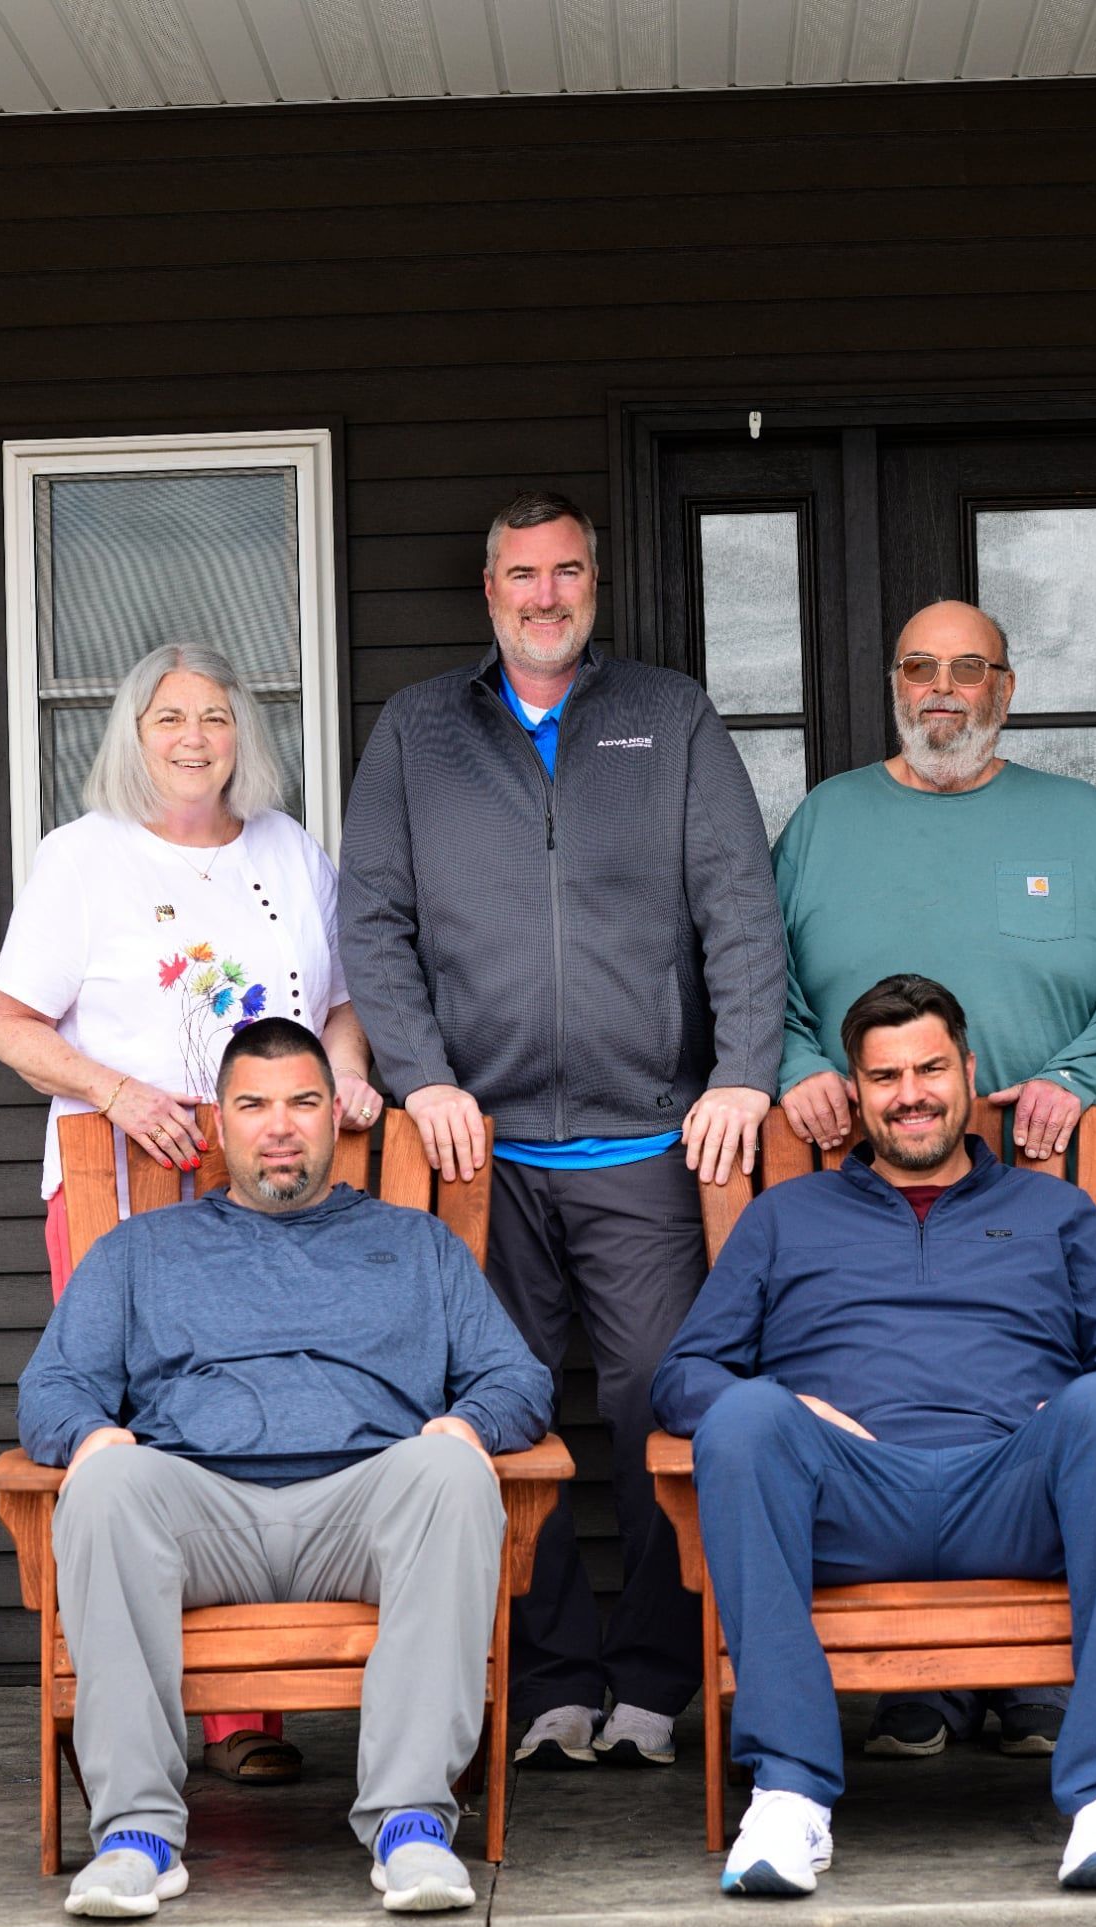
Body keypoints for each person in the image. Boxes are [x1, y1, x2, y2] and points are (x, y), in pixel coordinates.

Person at [338, 491, 785, 1771]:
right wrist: (421, 1075)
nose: (546, 594)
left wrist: (743, 1070)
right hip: (478, 1153)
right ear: (491, 591)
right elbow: (372, 921)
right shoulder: (420, 729)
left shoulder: (671, 713)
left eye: (569, 571)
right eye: (523, 575)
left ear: (597, 584)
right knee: (495, 1419)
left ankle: (651, 1678)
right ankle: (544, 1677)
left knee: (663, 1408)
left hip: (646, 1144)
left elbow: (740, 912)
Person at [652, 974, 1096, 1898]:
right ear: (854, 1092)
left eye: (930, 1067)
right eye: (885, 1075)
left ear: (968, 1071)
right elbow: (685, 1376)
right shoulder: (784, 1218)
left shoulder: (1055, 1213)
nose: (911, 1094)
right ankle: (788, 1797)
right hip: (846, 1498)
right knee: (740, 1414)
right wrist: (791, 1407)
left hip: (1012, 1493)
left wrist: (1070, 1412)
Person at [17, 1018, 553, 1919]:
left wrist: (468, 1424)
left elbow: (517, 1379)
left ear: (334, 1118)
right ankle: (136, 1836)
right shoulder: (142, 1253)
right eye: (253, 1105)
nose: (279, 1126)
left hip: (366, 1507)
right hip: (197, 1514)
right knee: (104, 1482)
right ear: (216, 1123)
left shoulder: (415, 1247)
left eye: (303, 1102)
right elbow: (52, 1388)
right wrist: (87, 1435)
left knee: (454, 1474)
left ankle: (411, 1825)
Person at [772, 599, 1096, 1762]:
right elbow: (762, 971)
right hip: (866, 1172)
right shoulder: (825, 822)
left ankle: (1030, 1682)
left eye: (967, 669)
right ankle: (923, 1678)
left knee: (1045, 1381)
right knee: (892, 1376)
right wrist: (803, 1065)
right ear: (893, 683)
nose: (940, 687)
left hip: (1037, 1176)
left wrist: (1080, 1076)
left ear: (1004, 689)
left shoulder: (1080, 822)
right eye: (918, 667)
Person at [0, 642, 383, 1787]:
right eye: (170, 717)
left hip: (268, 1183)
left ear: (242, 733)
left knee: (261, 1408)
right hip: (125, 1179)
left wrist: (346, 1074)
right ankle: (133, 1702)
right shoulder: (84, 856)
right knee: (134, 1422)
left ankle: (244, 1707)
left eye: (216, 714)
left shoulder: (287, 846)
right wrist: (116, 1089)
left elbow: (341, 998)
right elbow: (11, 1020)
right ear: (135, 733)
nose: (195, 736)